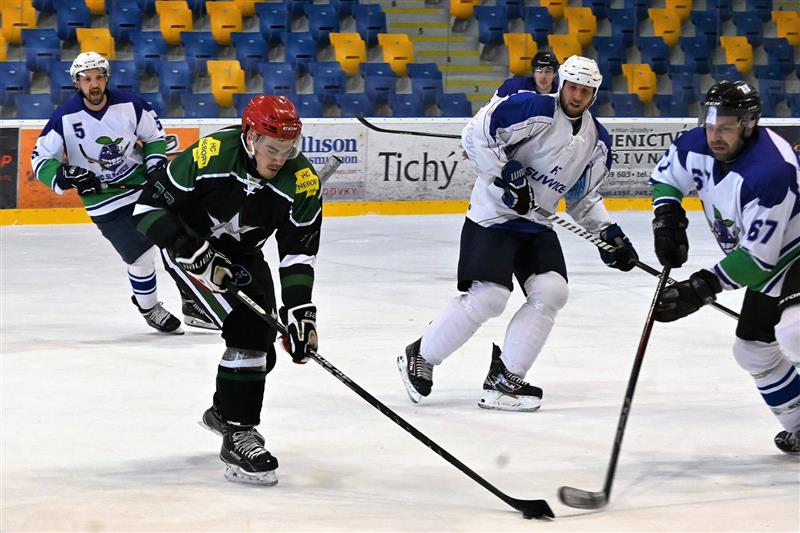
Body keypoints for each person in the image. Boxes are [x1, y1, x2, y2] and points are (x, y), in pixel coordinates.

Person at [399, 55, 639, 412]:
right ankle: (422, 354)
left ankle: (505, 379)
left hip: (536, 224)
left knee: (553, 291)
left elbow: (582, 197)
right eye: (573, 87)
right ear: (562, 83)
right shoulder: (531, 107)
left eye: (586, 91)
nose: (577, 96)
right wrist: (503, 175)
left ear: (594, 93)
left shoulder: (596, 141)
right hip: (493, 215)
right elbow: (475, 136)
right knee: (490, 298)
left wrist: (609, 233)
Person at [132, 95, 323, 484]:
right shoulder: (212, 153)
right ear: (250, 136)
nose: (279, 160)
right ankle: (238, 433)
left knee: (263, 349)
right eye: (272, 149)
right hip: (190, 246)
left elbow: (298, 255)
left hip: (243, 258)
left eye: (288, 150)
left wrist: (300, 310)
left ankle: (223, 412)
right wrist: (188, 248)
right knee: (248, 334)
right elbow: (147, 208)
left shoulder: (302, 182)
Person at [649, 80, 800, 455]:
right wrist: (666, 216)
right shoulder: (697, 144)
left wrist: (700, 287)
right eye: (711, 124)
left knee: (796, 332)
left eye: (726, 127)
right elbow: (666, 177)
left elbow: (755, 259)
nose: (715, 135)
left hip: (793, 252)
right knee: (751, 350)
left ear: (749, 125)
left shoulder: (771, 171)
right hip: (772, 262)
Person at [30, 51, 211, 334]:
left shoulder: (130, 103)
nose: (94, 84)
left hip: (140, 185)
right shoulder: (64, 117)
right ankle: (149, 308)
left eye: (99, 77)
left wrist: (153, 167)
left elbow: (153, 138)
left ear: (106, 79)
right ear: (77, 83)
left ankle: (192, 301)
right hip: (103, 201)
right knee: (140, 256)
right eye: (87, 79)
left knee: (179, 237)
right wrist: (66, 176)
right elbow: (40, 160)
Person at [493, 49, 559, 100]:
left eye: (548, 71)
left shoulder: (561, 94)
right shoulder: (514, 87)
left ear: (555, 73)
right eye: (539, 71)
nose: (543, 76)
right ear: (533, 72)